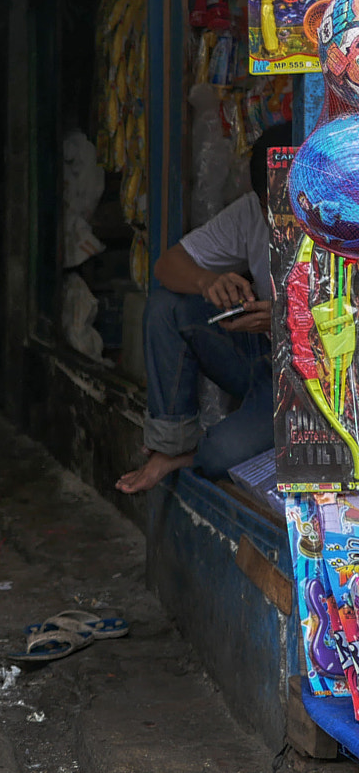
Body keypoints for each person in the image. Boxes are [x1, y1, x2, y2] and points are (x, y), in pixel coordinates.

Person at [118, 122, 290, 494]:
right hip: (263, 361)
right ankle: (171, 444)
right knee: (169, 305)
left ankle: (190, 454)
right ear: (256, 198)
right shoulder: (249, 214)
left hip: (313, 380)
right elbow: (167, 266)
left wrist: (283, 319)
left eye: (290, 209)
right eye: (269, 210)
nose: (279, 222)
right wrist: (208, 282)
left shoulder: (341, 217)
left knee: (217, 457)